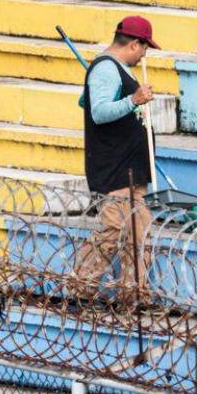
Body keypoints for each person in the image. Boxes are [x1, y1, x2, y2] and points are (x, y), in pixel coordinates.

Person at [73, 16, 158, 301]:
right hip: (114, 168)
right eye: (144, 48)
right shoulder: (106, 69)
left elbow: (88, 102)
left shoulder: (116, 69)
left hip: (132, 168)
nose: (144, 54)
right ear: (134, 44)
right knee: (114, 230)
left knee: (139, 234)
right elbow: (99, 112)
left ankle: (134, 296)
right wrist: (134, 100)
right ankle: (79, 289)